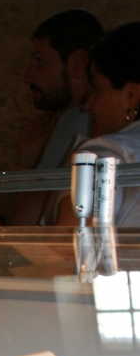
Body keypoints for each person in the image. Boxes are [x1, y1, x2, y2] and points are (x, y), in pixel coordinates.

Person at [12, 9, 103, 225]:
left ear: (77, 64)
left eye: (40, 61)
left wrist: (29, 164)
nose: (28, 76)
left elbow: (26, 223)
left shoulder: (77, 117)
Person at [56, 22, 140, 228]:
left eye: (96, 88)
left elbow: (74, 240)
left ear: (131, 95)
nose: (88, 106)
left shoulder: (104, 153)